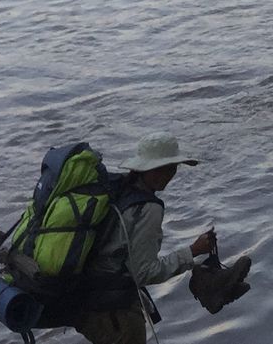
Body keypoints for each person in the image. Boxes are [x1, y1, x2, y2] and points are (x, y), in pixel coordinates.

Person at [72, 134, 215, 344]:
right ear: (154, 170)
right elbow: (144, 273)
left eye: (173, 168)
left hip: (84, 303)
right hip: (116, 312)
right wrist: (192, 251)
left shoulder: (116, 188)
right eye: (169, 168)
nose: (171, 174)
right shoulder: (148, 208)